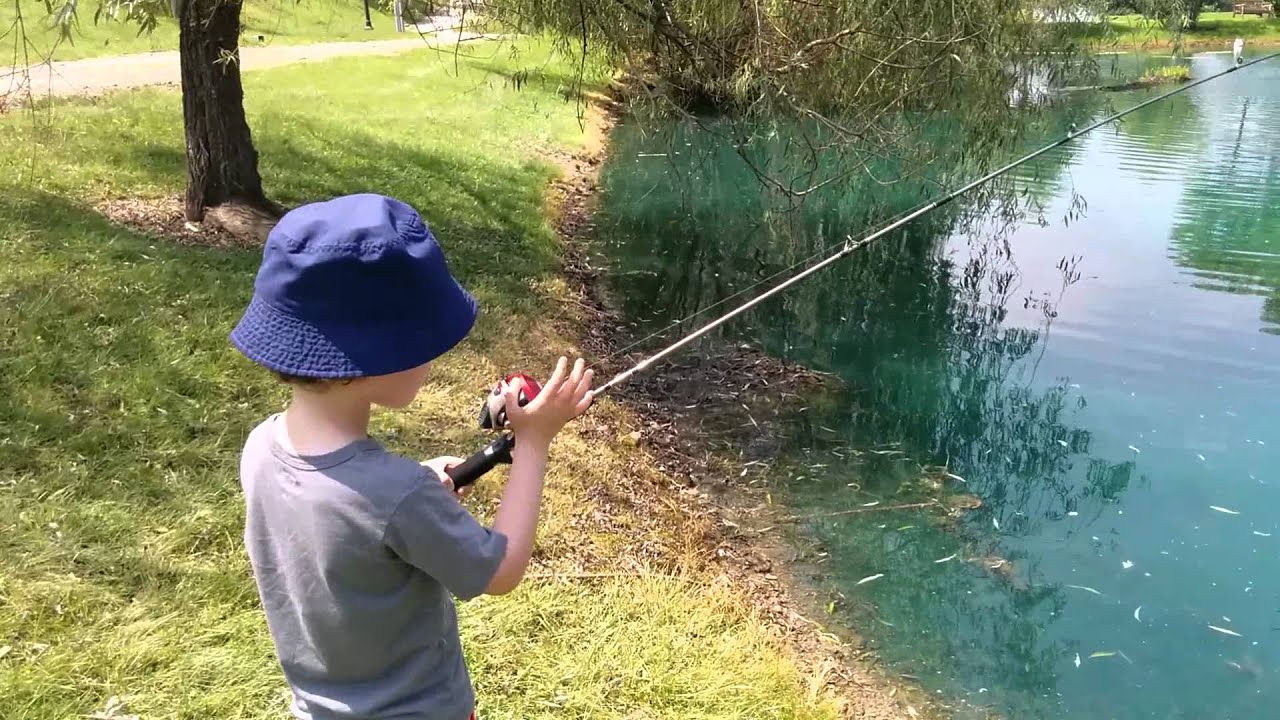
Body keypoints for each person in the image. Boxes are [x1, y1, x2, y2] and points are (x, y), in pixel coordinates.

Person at [228, 193, 593, 720]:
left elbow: (340, 525)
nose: (433, 353)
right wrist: (534, 444)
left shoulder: (261, 448)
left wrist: (408, 498)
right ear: (377, 354)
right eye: (423, 340)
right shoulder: (398, 496)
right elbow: (501, 571)